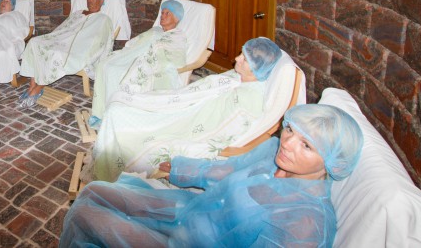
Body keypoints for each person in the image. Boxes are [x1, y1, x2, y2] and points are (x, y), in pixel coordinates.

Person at [61, 103, 364, 247]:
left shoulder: (306, 221)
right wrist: (181, 168)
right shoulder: (272, 151)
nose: (287, 143)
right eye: (290, 130)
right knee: (93, 191)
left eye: (306, 145)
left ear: (330, 164)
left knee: (84, 215)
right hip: (186, 211)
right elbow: (228, 168)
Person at [91, 37, 287, 182]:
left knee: (119, 113)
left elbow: (224, 132)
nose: (236, 58)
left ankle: (108, 173)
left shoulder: (249, 100)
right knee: (121, 102)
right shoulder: (237, 77)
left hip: (185, 124)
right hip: (181, 106)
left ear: (256, 67)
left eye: (244, 58)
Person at [89, 0, 187, 127]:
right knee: (105, 65)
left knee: (115, 71)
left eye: (167, 13)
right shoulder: (156, 30)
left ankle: (118, 116)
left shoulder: (177, 36)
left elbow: (178, 58)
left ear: (176, 18)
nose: (162, 16)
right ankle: (102, 112)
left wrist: (155, 52)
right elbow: (136, 43)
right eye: (162, 13)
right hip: (133, 56)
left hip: (150, 64)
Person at [18, 0, 114, 108]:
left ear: (101, 1)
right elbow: (63, 28)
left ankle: (39, 87)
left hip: (79, 47)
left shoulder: (103, 19)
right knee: (34, 42)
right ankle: (32, 85)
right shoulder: (78, 13)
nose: (89, 0)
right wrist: (55, 38)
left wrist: (83, 47)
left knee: (56, 54)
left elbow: (100, 40)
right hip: (61, 40)